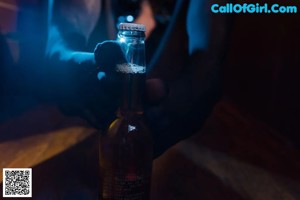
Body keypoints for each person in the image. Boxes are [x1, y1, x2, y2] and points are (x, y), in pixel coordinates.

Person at [45, 0, 229, 157]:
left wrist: (198, 81)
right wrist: (67, 58)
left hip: (191, 141)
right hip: (80, 127)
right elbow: (68, 23)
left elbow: (206, 65)